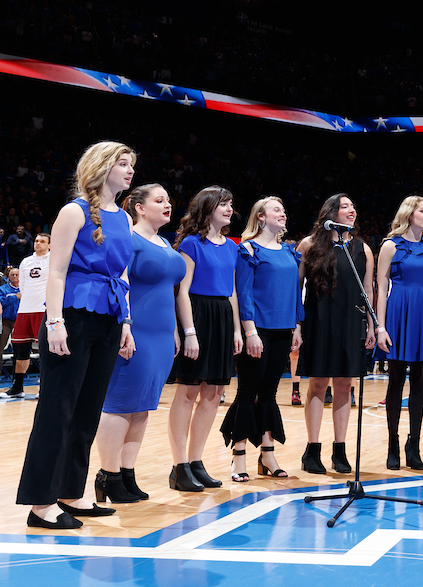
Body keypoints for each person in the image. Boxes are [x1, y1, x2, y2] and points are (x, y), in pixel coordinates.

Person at [17, 141, 136, 529]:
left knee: (87, 410)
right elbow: (56, 271)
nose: (130, 170)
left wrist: (126, 323)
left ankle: (70, 491)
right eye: (122, 163)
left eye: (131, 164)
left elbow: (122, 275)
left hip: (110, 317)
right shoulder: (74, 211)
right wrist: (54, 322)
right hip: (73, 315)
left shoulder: (124, 218)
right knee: (58, 409)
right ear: (101, 166)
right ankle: (40, 503)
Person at [94, 184, 187, 503]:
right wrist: (126, 325)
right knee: (119, 404)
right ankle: (108, 475)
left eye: (168, 200)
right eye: (159, 200)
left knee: (142, 406)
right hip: (134, 332)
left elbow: (168, 293)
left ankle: (127, 473)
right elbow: (120, 285)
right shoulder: (128, 239)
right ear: (139, 207)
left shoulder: (164, 242)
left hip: (162, 336)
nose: (167, 205)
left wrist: (175, 331)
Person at [222, 197, 304, 481]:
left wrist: (297, 327)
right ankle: (239, 457)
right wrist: (250, 331)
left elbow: (295, 293)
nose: (283, 214)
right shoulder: (247, 250)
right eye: (276, 210)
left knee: (269, 393)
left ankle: (267, 455)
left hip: (284, 329)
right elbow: (243, 292)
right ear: (260, 216)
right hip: (257, 330)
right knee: (247, 393)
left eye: (283, 210)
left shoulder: (290, 252)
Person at [169, 186, 242, 492]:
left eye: (230, 203)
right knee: (188, 392)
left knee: (213, 394)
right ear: (208, 207)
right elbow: (182, 291)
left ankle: (196, 461)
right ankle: (179, 466)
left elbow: (232, 291)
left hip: (223, 316)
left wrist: (237, 329)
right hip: (198, 314)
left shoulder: (232, 246)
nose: (229, 209)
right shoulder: (191, 243)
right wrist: (189, 332)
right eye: (223, 203)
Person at [298, 194, 375, 474]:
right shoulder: (309, 245)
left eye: (353, 206)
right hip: (318, 320)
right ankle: (312, 450)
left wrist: (372, 325)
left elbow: (368, 291)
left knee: (345, 385)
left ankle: (339, 451)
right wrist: (297, 326)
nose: (352, 210)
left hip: (350, 322)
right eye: (345, 206)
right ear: (331, 212)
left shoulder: (362, 249)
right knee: (318, 384)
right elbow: (296, 289)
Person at [375, 196, 423, 471]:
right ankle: (392, 443)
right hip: (398, 311)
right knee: (395, 381)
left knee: (419, 382)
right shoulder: (390, 246)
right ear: (409, 214)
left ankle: (413, 445)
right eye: (422, 211)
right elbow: (381, 287)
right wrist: (380, 326)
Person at [7, 232, 50, 397]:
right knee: (20, 348)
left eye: (42, 241)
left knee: (46, 350)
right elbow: (23, 287)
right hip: (25, 309)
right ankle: (17, 388)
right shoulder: (26, 261)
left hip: (43, 309)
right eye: (36, 241)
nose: (38, 243)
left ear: (50, 245)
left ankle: (44, 388)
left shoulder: (54, 260)